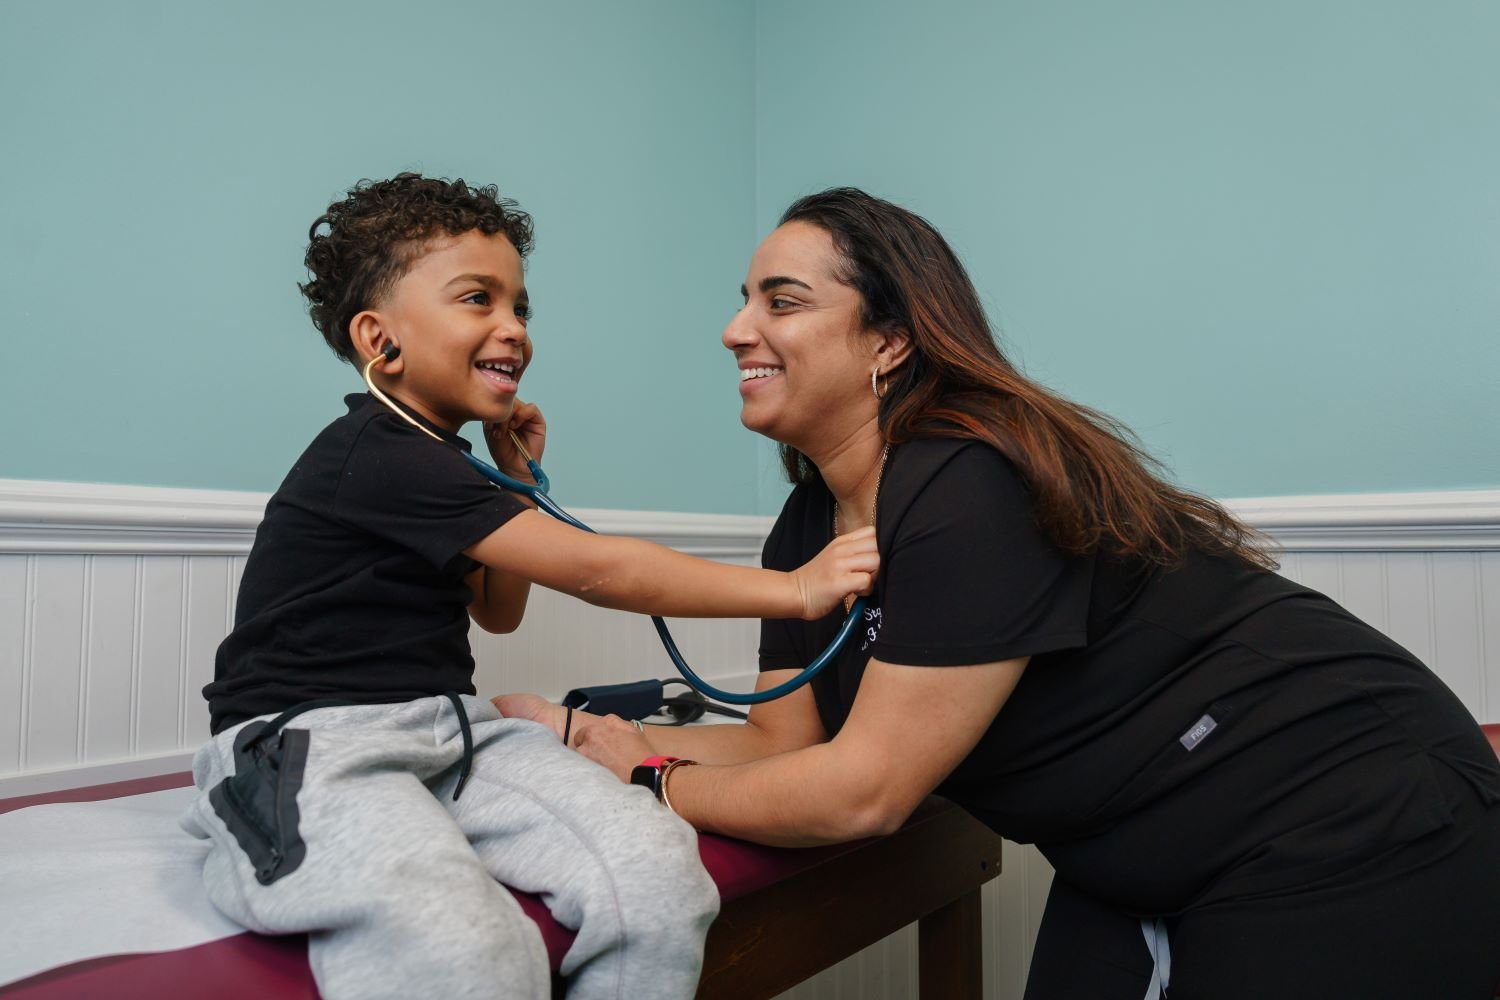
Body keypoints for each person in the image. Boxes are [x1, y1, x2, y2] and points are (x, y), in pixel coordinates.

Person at [500, 187, 1500, 999]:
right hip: (1146, 852)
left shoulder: (967, 481)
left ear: (888, 340)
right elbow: (784, 746)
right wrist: (594, 742)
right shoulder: (805, 530)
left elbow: (865, 790)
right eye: (743, 298)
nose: (735, 329)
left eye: (781, 300)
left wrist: (652, 780)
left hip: (1347, 804)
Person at [179, 174, 879, 1000]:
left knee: (656, 874)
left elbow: (496, 611)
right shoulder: (368, 451)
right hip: (309, 742)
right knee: (463, 944)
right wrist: (797, 591)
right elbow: (600, 570)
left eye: (520, 307)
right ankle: (251, 823)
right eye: (478, 299)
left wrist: (511, 479)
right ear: (380, 340)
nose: (512, 327)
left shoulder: (448, 465)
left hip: (443, 732)